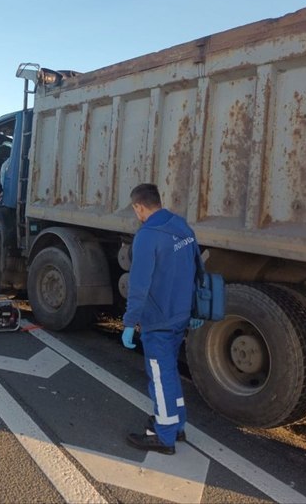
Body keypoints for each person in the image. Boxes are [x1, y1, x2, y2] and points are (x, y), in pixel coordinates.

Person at [121, 183, 198, 455]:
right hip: (180, 314)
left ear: (139, 207)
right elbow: (197, 268)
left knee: (159, 374)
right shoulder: (182, 227)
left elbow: (139, 285)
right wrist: (195, 310)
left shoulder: (147, 236)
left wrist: (130, 323)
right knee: (169, 371)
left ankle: (164, 436)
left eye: (136, 210)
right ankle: (176, 424)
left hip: (159, 319)